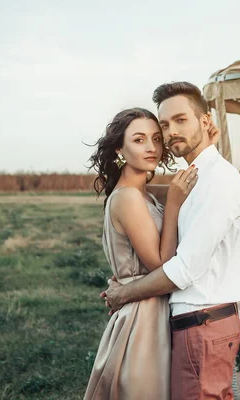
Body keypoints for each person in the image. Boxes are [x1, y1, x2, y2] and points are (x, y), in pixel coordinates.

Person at [102, 82, 240, 400]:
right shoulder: (193, 179)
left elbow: (182, 270)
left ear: (205, 121)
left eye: (181, 120)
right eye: (166, 125)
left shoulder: (218, 181)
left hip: (203, 323)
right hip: (191, 324)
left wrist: (122, 294)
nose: (170, 133)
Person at [84, 107, 211, 399]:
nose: (151, 147)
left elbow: (194, 184)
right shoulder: (128, 197)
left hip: (150, 307)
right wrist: (175, 205)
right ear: (120, 148)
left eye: (156, 138)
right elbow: (161, 264)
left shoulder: (144, 193)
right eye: (139, 140)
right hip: (143, 318)